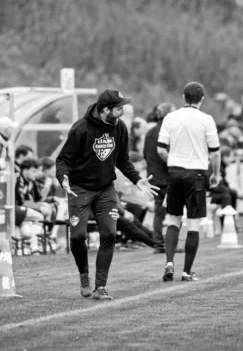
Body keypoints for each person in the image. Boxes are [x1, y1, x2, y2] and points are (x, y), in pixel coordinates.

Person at [55, 89, 158, 301]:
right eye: (119, 108)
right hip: (79, 189)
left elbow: (123, 160)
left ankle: (100, 287)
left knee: (109, 234)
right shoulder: (80, 128)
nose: (123, 111)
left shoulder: (120, 127)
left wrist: (137, 180)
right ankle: (84, 275)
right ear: (105, 110)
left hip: (105, 189)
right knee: (77, 237)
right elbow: (63, 159)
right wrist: (63, 177)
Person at [157, 82, 221, 282]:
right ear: (202, 99)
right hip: (197, 175)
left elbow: (160, 149)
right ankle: (186, 272)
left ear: (183, 97)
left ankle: (169, 262)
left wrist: (174, 162)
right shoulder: (206, 120)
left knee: (174, 220)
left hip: (175, 173)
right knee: (193, 224)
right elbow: (215, 152)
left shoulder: (170, 117)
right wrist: (216, 173)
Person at [144, 102, 175, 254]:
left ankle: (158, 243)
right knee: (174, 212)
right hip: (167, 176)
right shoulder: (168, 132)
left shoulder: (149, 132)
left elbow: (145, 154)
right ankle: (171, 243)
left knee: (159, 212)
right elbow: (167, 153)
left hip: (153, 177)